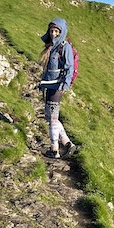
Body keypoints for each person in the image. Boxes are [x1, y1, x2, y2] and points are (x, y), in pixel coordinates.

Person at [39, 18, 77, 159]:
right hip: (50, 85)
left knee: (53, 119)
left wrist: (65, 85)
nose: (54, 34)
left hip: (58, 87)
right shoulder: (51, 47)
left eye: (56, 31)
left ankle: (54, 150)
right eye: (52, 31)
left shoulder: (64, 47)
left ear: (61, 32)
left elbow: (69, 67)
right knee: (50, 117)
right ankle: (67, 143)